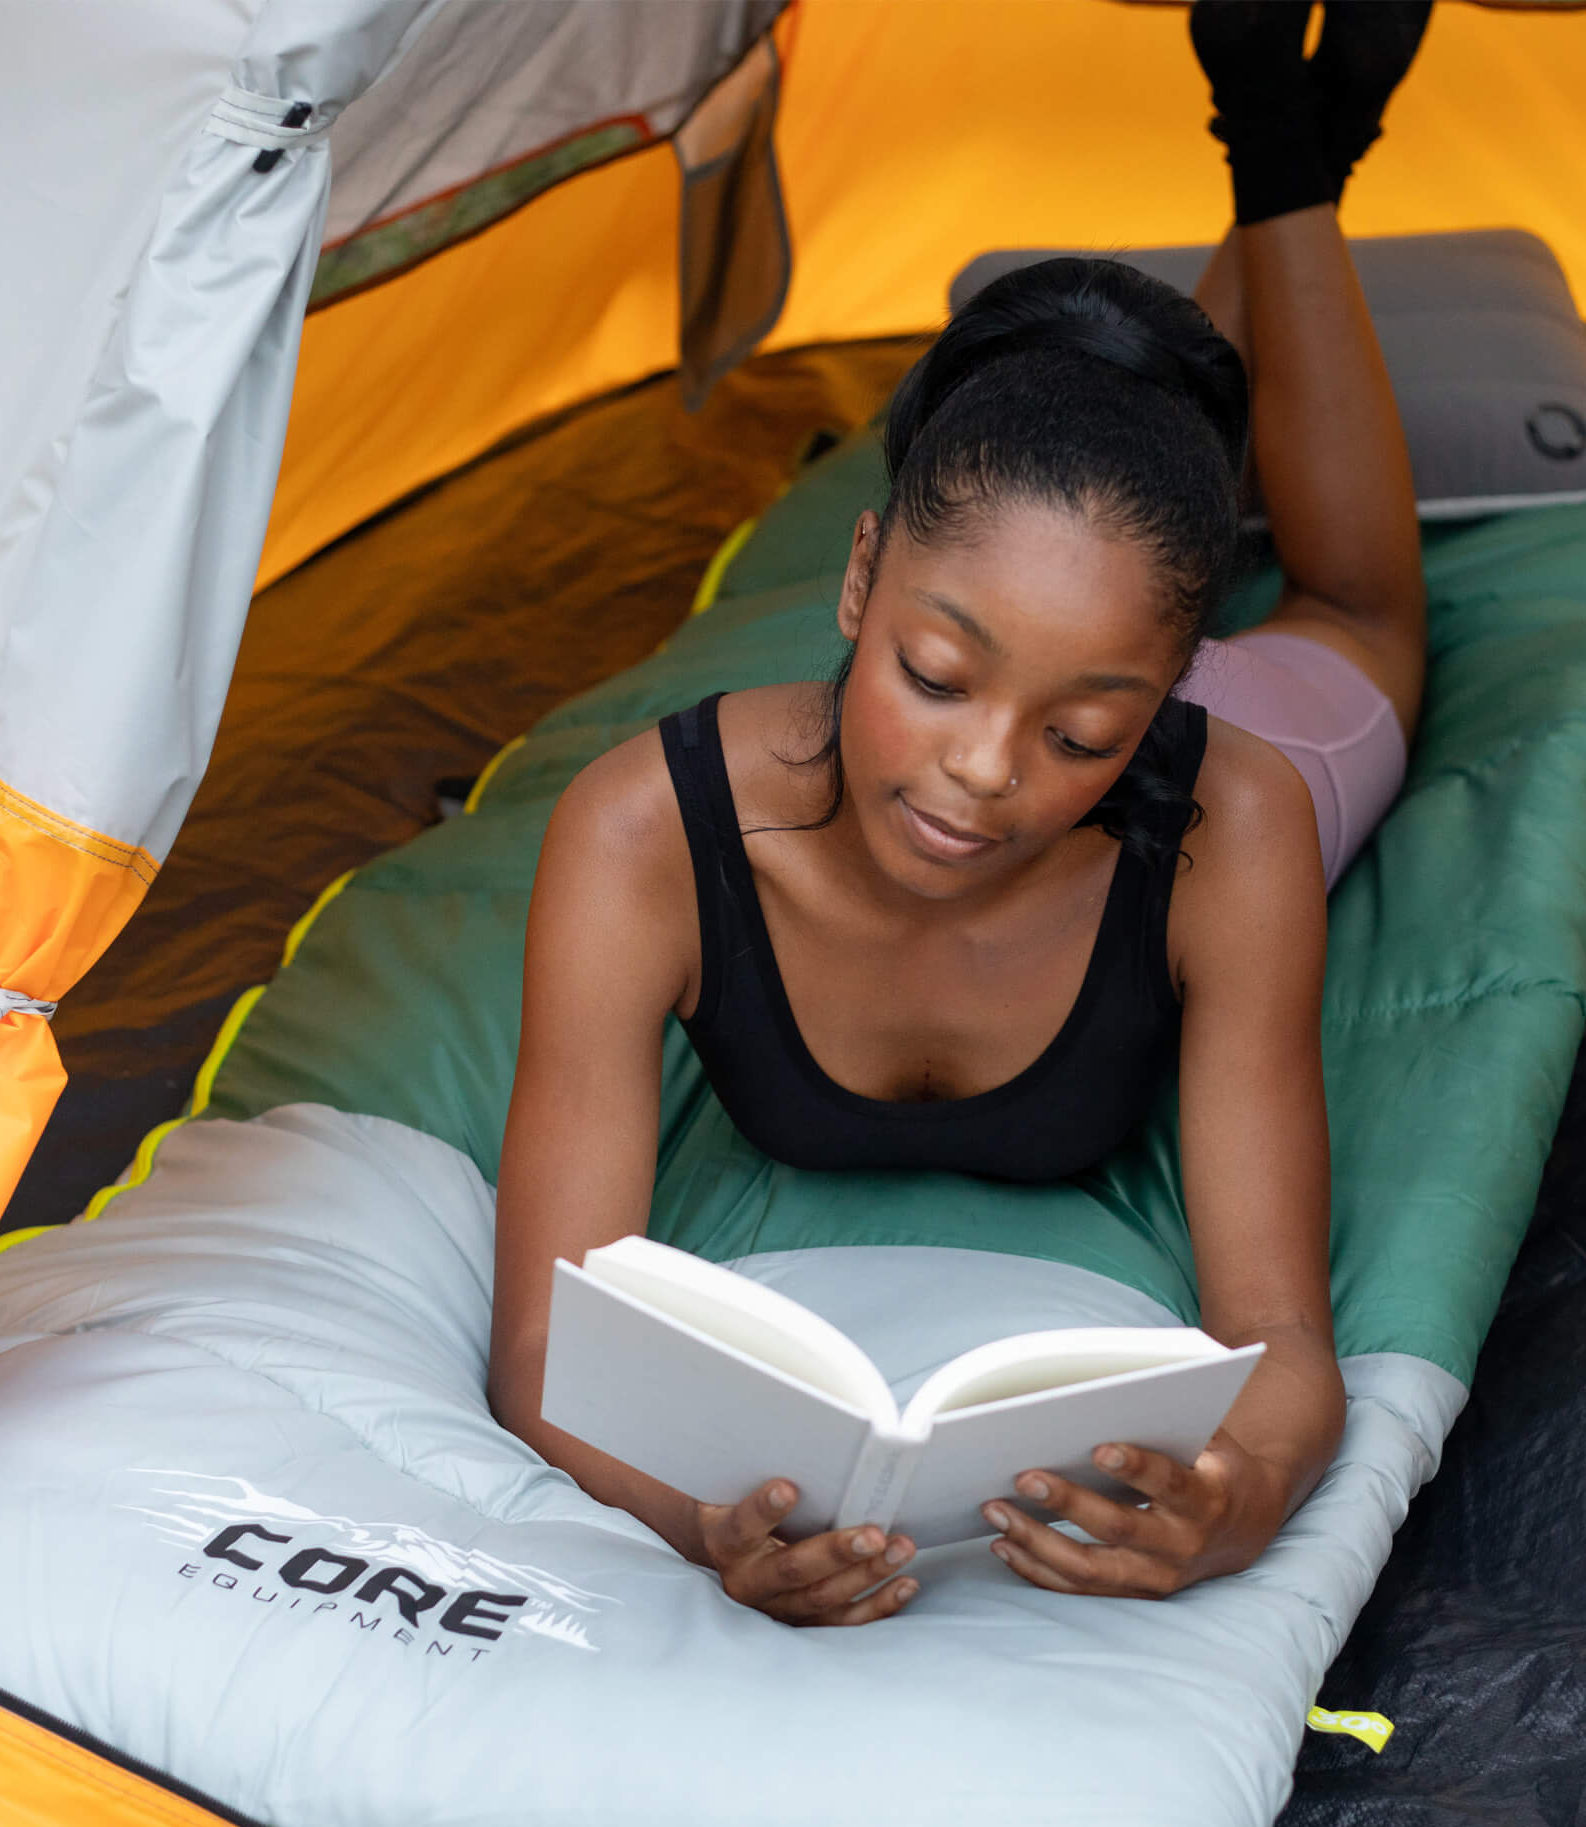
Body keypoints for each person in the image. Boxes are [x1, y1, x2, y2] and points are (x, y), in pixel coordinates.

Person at [489, 1, 1429, 1626]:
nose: (988, 771)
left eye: (1075, 729)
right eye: (934, 673)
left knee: (1360, 614)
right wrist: (699, 1519)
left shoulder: (1232, 822)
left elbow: (1276, 1339)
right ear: (860, 582)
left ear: (1166, 692)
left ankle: (1292, 159)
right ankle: (1283, 142)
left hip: (1241, 761)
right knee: (1137, 507)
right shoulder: (643, 840)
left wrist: (1234, 1502)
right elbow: (545, 1352)